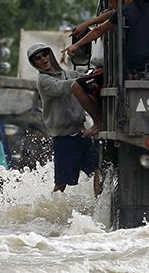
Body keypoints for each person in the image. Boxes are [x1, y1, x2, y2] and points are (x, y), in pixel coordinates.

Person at [27, 43, 101, 193]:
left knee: (98, 171)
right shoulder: (43, 81)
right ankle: (51, 214)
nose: (43, 59)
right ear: (34, 63)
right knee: (61, 186)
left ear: (50, 55)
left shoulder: (69, 74)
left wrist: (96, 75)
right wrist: (83, 82)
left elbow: (85, 78)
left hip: (81, 133)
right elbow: (66, 87)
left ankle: (100, 205)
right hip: (64, 139)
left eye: (44, 54)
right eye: (38, 58)